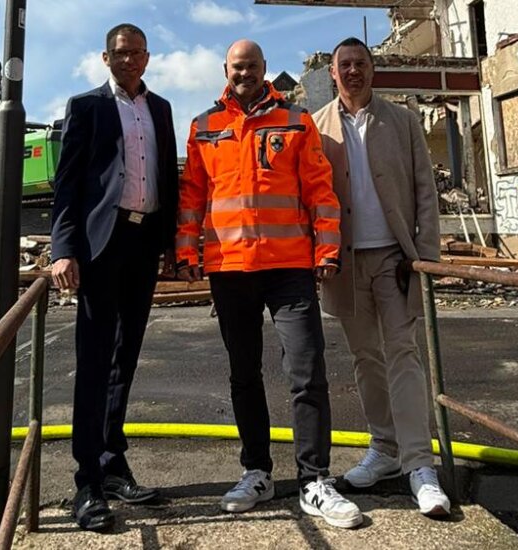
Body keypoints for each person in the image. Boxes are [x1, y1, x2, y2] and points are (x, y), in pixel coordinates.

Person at [176, 39, 362, 530]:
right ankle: (257, 473)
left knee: (307, 370)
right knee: (244, 374)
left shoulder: (295, 122)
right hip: (230, 269)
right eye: (238, 67)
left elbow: (320, 190)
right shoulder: (203, 127)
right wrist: (186, 251)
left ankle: (314, 480)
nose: (245, 74)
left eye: (253, 66)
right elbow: (192, 195)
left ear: (264, 69)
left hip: (289, 268)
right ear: (226, 70)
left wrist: (327, 250)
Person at [311, 37, 450, 517]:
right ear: (333, 73)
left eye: (361, 63)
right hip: (345, 263)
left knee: (404, 355)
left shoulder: (402, 121)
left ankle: (420, 464)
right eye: (344, 65)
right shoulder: (316, 127)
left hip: (396, 260)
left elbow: (425, 192)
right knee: (365, 359)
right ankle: (384, 448)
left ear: (373, 70)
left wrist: (425, 258)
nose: (353, 71)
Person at [50, 22, 179, 532]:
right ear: (106, 58)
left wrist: (171, 245)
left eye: (136, 53)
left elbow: (167, 177)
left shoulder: (161, 108)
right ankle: (87, 482)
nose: (129, 60)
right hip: (100, 247)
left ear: (147, 58)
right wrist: (64, 250)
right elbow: (67, 184)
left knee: (125, 358)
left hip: (144, 245)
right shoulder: (87, 107)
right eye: (120, 53)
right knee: (94, 360)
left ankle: (112, 462)